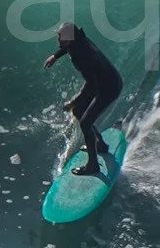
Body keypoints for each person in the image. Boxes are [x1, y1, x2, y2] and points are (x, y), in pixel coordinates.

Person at [43, 22, 122, 177]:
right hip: (104, 82)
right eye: (58, 36)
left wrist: (73, 101)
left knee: (85, 122)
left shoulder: (84, 56)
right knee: (79, 111)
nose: (58, 41)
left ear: (70, 39)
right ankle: (100, 144)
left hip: (109, 88)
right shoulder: (77, 40)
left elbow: (91, 86)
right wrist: (55, 56)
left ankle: (93, 166)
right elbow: (68, 47)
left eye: (61, 38)